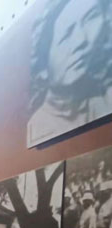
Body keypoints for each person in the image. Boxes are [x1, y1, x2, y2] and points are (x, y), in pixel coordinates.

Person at [28, 0, 112, 147]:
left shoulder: (106, 101)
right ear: (44, 58)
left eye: (90, 19)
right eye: (67, 34)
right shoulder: (37, 126)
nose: (82, 40)